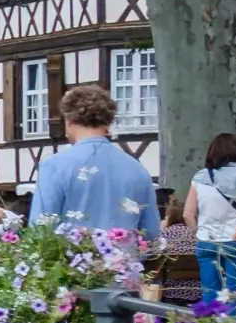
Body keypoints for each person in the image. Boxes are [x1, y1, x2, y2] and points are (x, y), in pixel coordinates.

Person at [29, 85, 162, 243]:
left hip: (70, 264)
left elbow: (41, 230)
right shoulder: (138, 169)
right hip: (125, 264)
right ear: (107, 122)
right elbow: (151, 233)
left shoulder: (54, 165)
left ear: (69, 120)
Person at [190, 133, 236, 303]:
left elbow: (188, 213)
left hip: (206, 241)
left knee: (209, 294)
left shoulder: (200, 176)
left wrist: (199, 233)